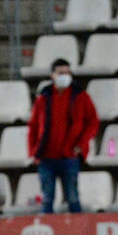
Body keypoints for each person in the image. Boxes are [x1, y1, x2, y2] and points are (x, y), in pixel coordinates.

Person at [27, 58, 98, 214]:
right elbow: (33, 125)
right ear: (52, 75)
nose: (64, 76)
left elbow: (93, 122)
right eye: (61, 73)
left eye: (67, 73)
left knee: (73, 198)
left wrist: (81, 143)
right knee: (47, 200)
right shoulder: (43, 97)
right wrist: (33, 151)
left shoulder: (80, 96)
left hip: (70, 155)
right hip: (46, 156)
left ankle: (79, 233)